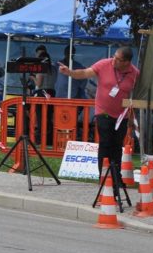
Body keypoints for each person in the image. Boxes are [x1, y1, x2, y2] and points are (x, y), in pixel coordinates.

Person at [59, 46, 139, 177]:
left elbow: (135, 96)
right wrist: (70, 72)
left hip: (121, 115)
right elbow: (85, 73)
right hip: (103, 111)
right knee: (105, 142)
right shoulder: (104, 64)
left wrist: (131, 116)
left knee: (117, 145)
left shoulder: (134, 74)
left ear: (127, 62)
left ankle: (116, 176)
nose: (114, 60)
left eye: (118, 59)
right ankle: (104, 175)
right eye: (114, 56)